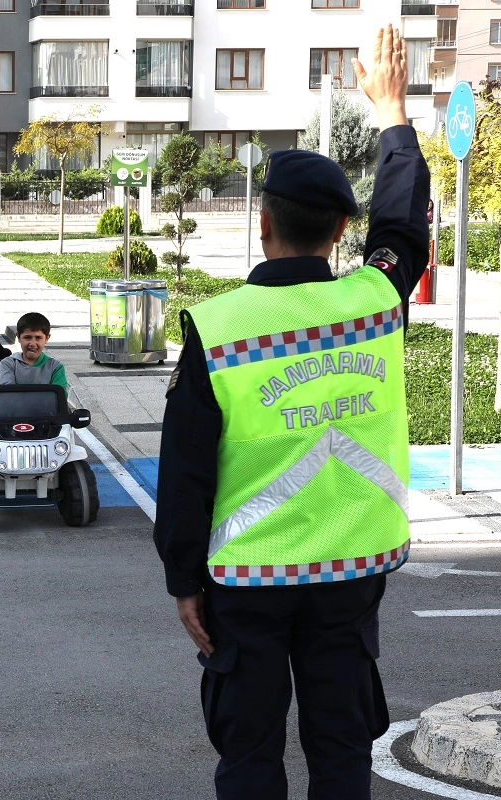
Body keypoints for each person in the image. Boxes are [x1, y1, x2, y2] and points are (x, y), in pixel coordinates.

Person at [152, 25, 428, 800]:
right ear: (343, 230)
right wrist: (392, 111)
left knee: (248, 759)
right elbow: (403, 227)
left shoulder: (218, 327)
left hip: (246, 586)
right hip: (351, 576)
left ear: (262, 224)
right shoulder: (375, 301)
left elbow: (186, 473)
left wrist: (183, 578)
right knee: (341, 755)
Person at [0, 312, 68, 392]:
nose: (32, 343)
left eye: (38, 338)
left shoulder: (55, 367)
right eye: (27, 337)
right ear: (18, 337)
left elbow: (59, 396)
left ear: (47, 338)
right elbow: (7, 394)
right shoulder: (8, 364)